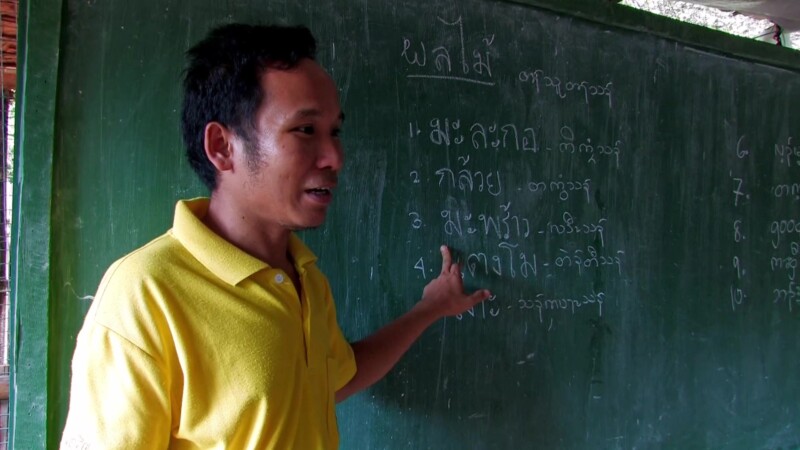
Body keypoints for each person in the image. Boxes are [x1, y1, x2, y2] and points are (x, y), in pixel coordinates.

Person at [60, 23, 490, 449]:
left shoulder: (306, 279)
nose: (335, 157)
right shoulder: (144, 295)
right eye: (305, 130)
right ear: (222, 147)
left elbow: (332, 379)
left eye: (335, 132)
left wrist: (430, 308)